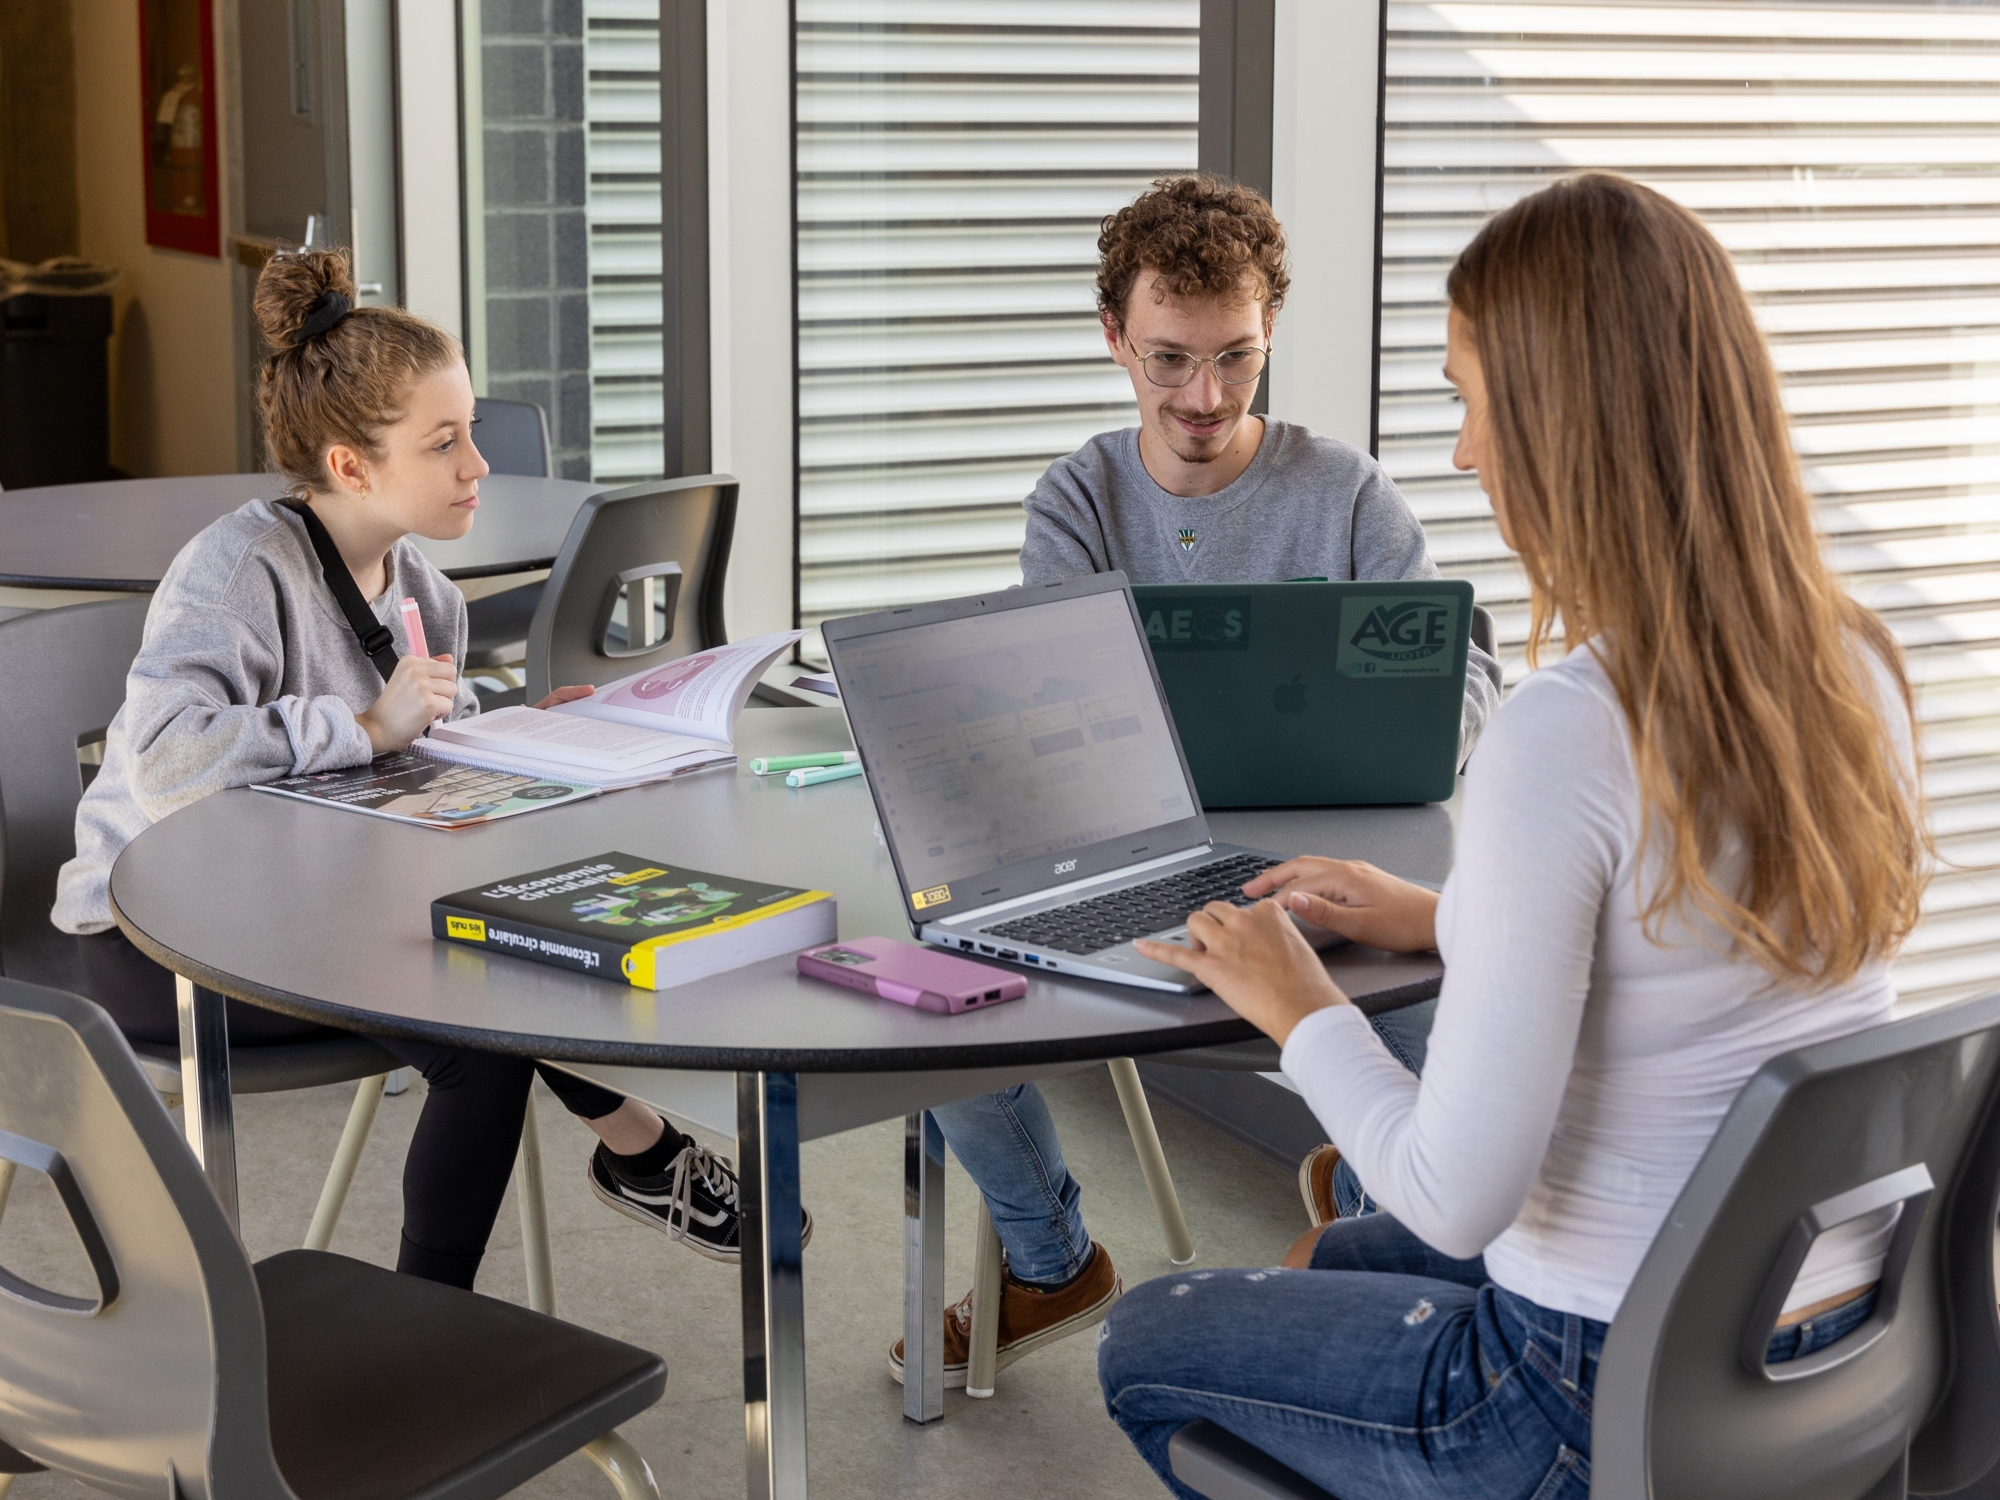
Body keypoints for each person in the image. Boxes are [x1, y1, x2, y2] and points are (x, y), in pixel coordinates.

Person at [1093, 172, 1928, 1499]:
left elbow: (1455, 1196)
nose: (1468, 450)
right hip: (1842, 1338)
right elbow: (1694, 930)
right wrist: (1442, 916)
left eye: (1472, 401)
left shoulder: (1569, 726)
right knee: (1339, 1262)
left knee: (1146, 1339)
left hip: (1591, 1390)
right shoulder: (1851, 663)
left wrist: (1296, 1002)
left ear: (1563, 424)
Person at [51, 248, 792, 1286]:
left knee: (524, 950)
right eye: (443, 443)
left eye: (471, 433)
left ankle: (632, 1158)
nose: (475, 466)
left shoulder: (418, 590)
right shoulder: (233, 574)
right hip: (158, 939)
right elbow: (171, 762)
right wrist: (360, 723)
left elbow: (415, 743)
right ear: (351, 465)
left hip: (304, 910)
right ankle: (443, 1310)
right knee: (480, 1034)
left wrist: (528, 730)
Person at [889, 174, 1501, 1390]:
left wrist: (1416, 732)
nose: (1204, 398)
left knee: (1450, 1028)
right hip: (1130, 858)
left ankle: (1373, 1255)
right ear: (1113, 338)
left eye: (1236, 359)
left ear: (1267, 336)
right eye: (1168, 359)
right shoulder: (1075, 499)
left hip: (1337, 881)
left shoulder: (1347, 494)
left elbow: (1460, 679)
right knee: (926, 989)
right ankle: (1047, 1255)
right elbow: (1045, 716)